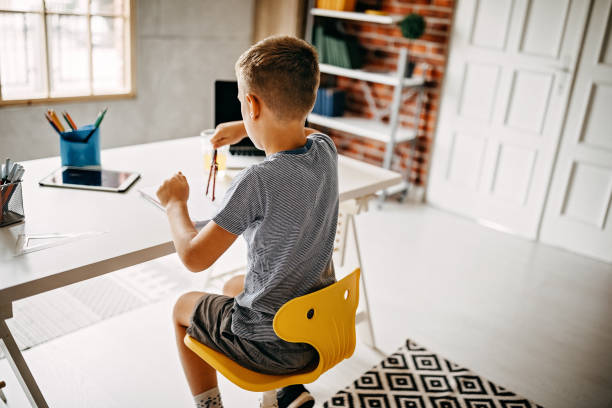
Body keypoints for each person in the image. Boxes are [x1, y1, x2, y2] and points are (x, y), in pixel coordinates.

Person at [156, 36, 338, 408]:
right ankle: (284, 393)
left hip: (270, 346)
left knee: (182, 309)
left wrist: (176, 204)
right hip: (318, 329)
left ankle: (211, 406)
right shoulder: (326, 150)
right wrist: (246, 126)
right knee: (232, 284)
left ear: (252, 105)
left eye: (244, 102)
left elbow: (194, 257)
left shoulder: (256, 181)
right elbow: (306, 131)